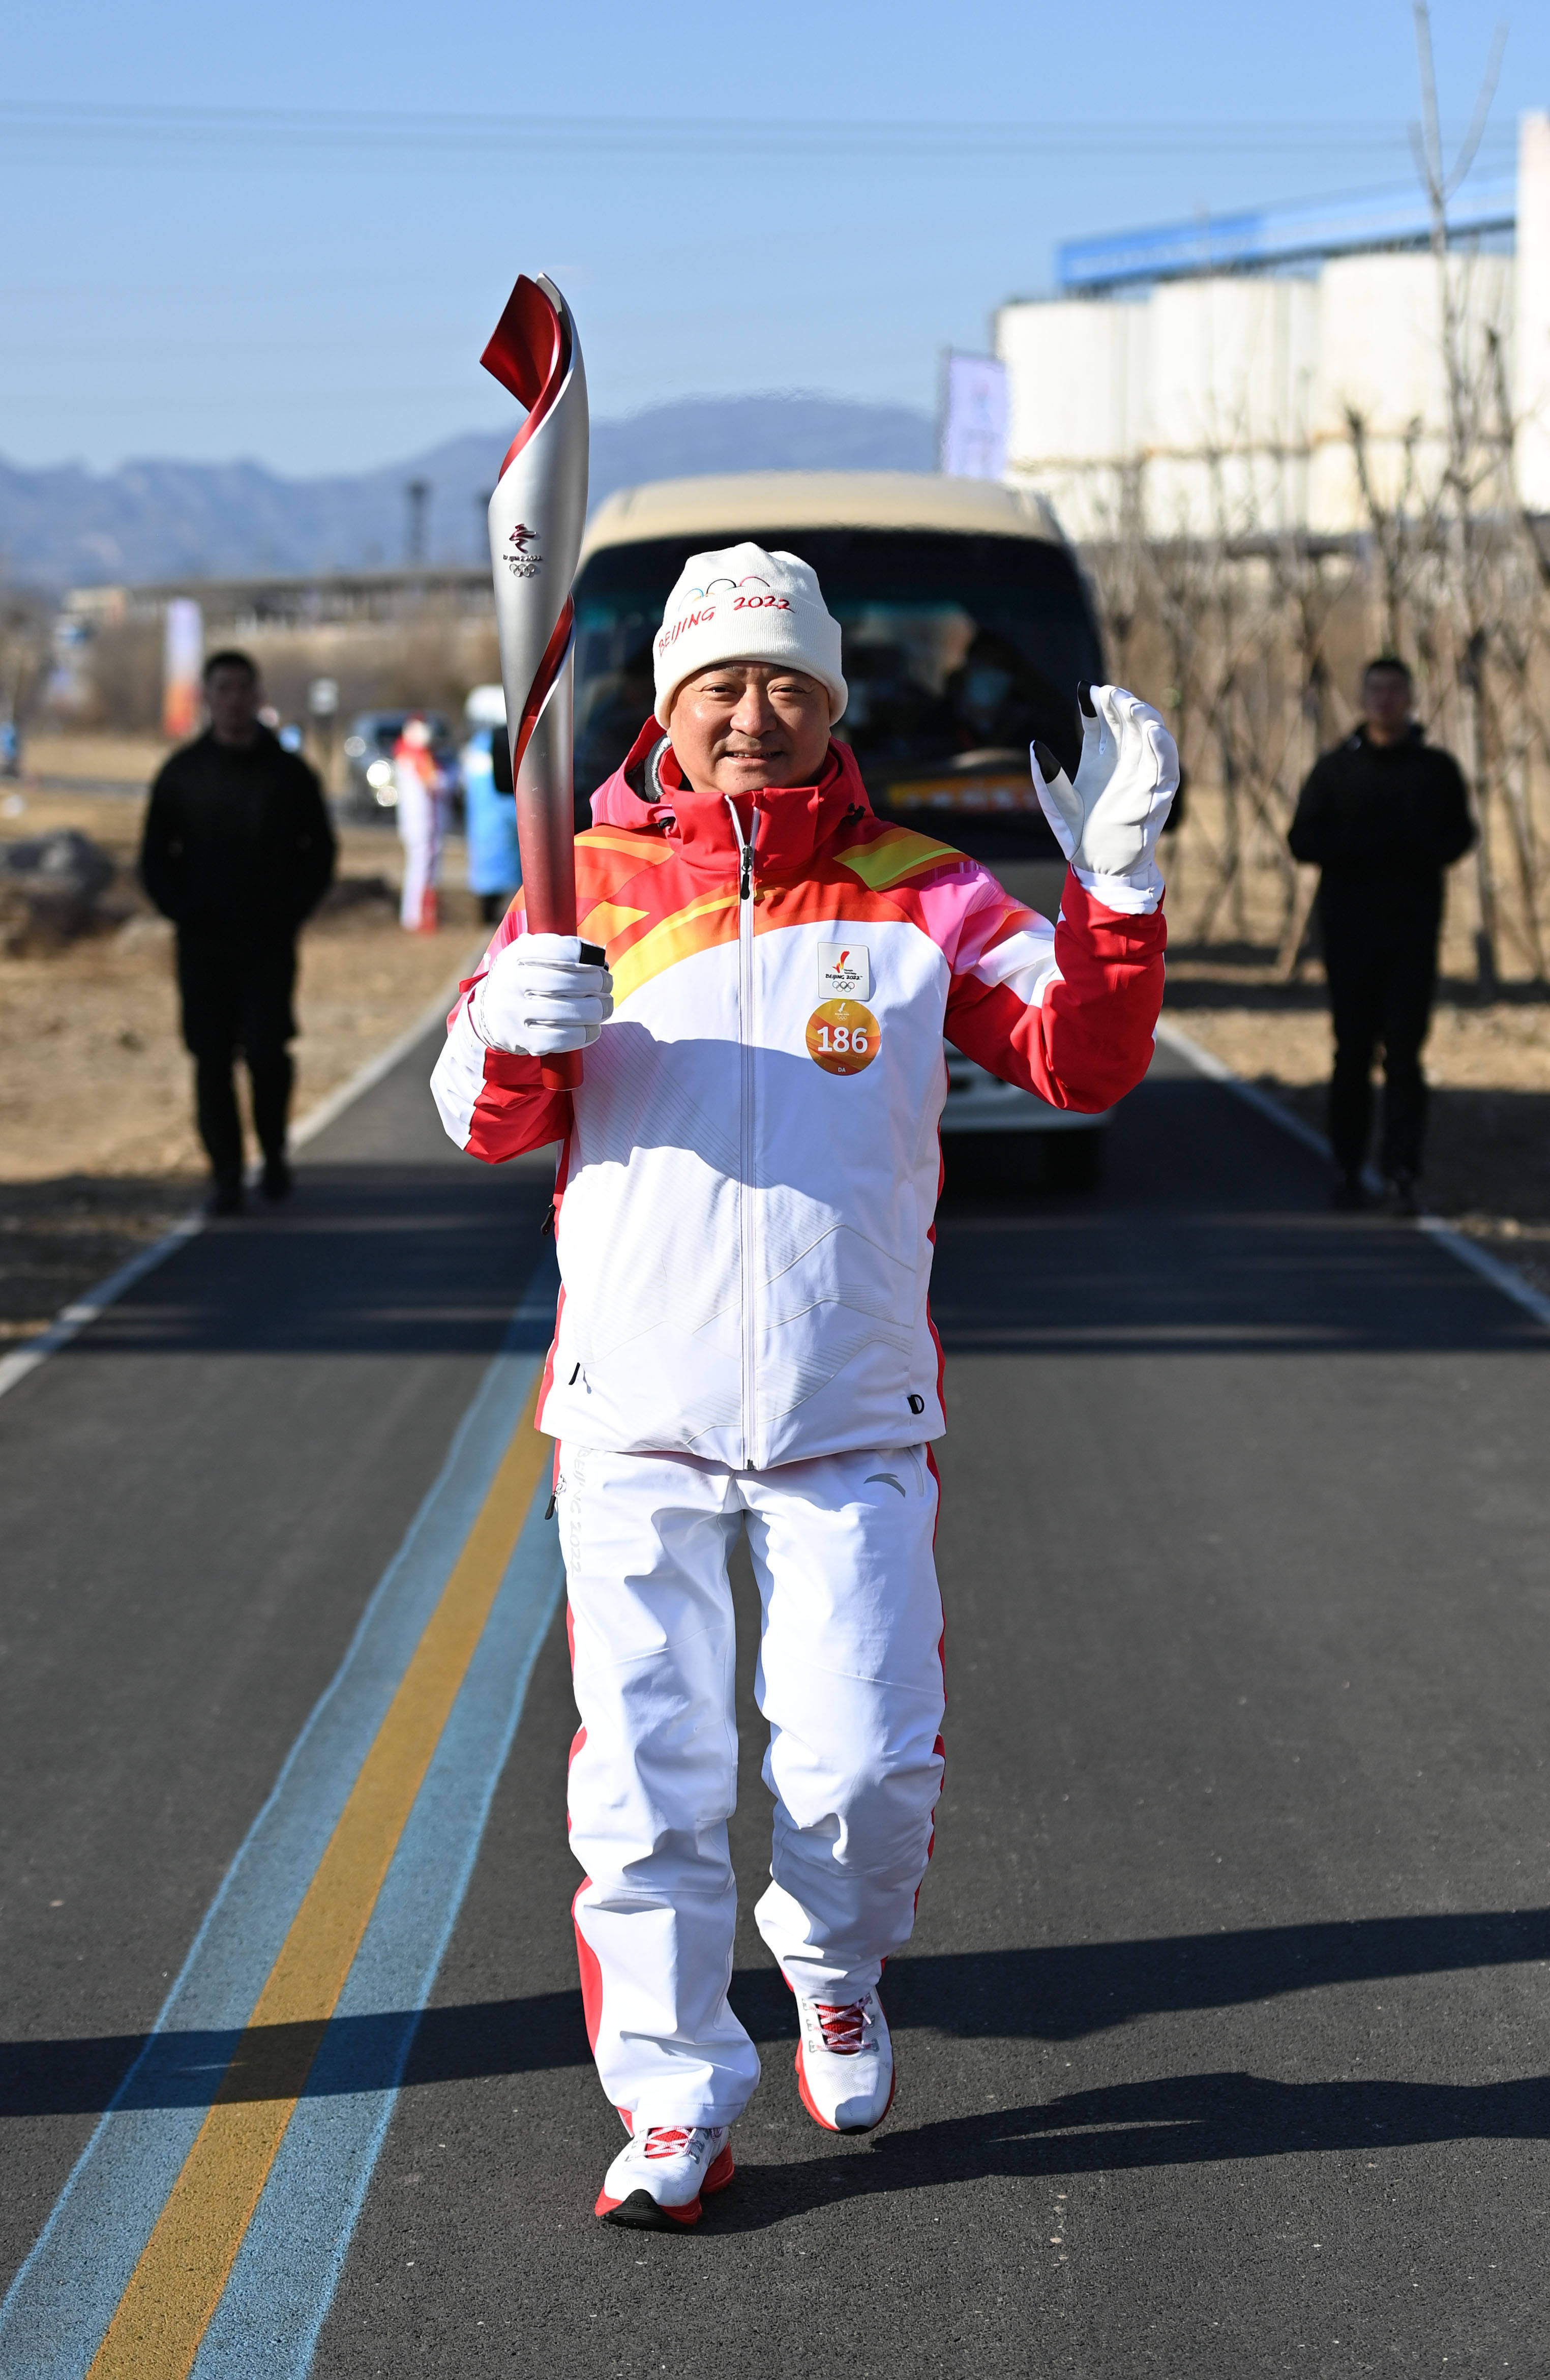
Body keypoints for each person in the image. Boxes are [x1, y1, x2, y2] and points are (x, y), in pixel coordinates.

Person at [431, 544, 1175, 2229]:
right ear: (667, 713)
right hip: (633, 1422)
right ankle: (672, 2093)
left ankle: (832, 1953)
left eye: (785, 686)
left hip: (849, 1417)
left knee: (858, 1768)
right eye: (718, 690)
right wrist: (510, 1030)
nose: (750, 716)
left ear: (829, 704)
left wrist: (1114, 887)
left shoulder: (922, 895)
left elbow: (1081, 1058)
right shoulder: (579, 886)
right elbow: (482, 1116)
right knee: (647, 1783)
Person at [141, 648, 336, 1215]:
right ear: (209, 696)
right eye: (222, 688)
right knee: (209, 1057)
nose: (233, 699)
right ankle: (225, 1172)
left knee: (269, 1051)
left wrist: (294, 908)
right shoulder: (181, 774)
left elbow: (318, 852)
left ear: (257, 696)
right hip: (203, 943)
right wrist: (181, 909)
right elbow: (155, 858)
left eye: (243, 688)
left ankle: (274, 1152)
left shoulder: (290, 773)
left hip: (270, 941)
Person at [1289, 656, 1475, 1214]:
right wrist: (1357, 847)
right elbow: (1302, 839)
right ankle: (1348, 1167)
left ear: (1410, 697)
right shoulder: (1335, 771)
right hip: (1348, 936)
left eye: (1396, 690)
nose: (1386, 700)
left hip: (1413, 935)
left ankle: (1402, 1170)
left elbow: (1459, 836)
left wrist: (1413, 851)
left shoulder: (1436, 770)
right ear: (1363, 698)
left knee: (1405, 1055)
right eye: (1376, 690)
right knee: (1351, 1052)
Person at [394, 714, 446, 931]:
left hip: (422, 821)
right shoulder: (413, 756)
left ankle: (420, 915)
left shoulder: (416, 755)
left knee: (422, 868)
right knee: (420, 869)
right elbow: (434, 782)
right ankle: (416, 917)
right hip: (419, 823)